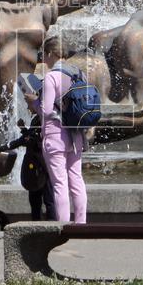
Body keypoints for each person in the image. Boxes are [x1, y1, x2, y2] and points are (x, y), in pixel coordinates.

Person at [39, 36, 87, 223]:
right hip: (76, 135)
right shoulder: (79, 74)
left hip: (56, 136)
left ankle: (64, 226)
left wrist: (33, 101)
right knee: (76, 179)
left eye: (44, 54)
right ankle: (81, 224)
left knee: (60, 183)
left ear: (51, 53)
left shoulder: (51, 77)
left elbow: (46, 110)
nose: (44, 58)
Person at [18, 72, 55, 221]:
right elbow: (34, 136)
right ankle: (36, 223)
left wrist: (26, 136)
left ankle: (53, 223)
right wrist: (24, 130)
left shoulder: (43, 118)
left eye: (28, 104)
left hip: (43, 166)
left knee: (48, 198)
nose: (27, 107)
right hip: (36, 166)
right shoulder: (36, 118)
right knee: (35, 200)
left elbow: (37, 140)